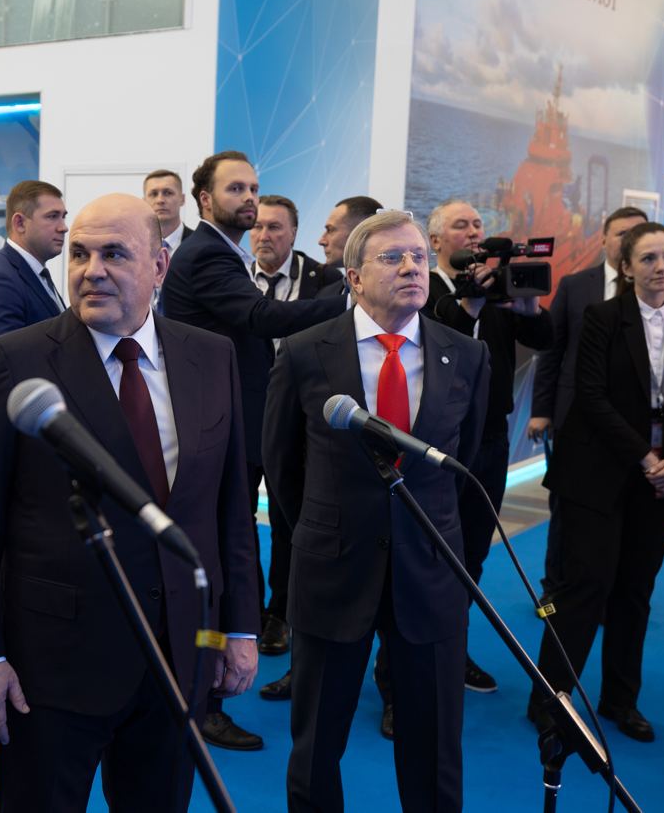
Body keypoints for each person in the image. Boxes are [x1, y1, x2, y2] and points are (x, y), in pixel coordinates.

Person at [0, 193, 259, 812]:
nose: (92, 270)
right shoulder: (14, 361)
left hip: (180, 654)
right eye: (80, 254)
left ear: (159, 265)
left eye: (115, 254)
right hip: (53, 665)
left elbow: (229, 509)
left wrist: (240, 625)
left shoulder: (210, 355)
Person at [263, 210, 488, 812]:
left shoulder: (466, 355)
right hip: (333, 571)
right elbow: (282, 466)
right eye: (393, 258)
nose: (412, 267)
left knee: (434, 752)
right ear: (355, 278)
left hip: (432, 574)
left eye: (418, 256)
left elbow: (465, 463)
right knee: (316, 749)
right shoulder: (306, 353)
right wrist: (329, 528)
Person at [161, 151, 345, 750]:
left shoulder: (220, 251)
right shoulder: (208, 253)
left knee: (227, 555)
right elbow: (261, 317)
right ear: (204, 199)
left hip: (229, 427)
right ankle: (204, 700)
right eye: (236, 188)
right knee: (216, 563)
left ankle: (203, 688)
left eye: (254, 189)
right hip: (215, 431)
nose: (249, 199)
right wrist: (349, 302)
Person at [528, 222, 664, 744]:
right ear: (626, 267)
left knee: (634, 593)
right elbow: (592, 397)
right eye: (648, 258)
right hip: (596, 474)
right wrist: (647, 458)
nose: (661, 267)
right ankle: (551, 699)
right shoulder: (603, 318)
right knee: (582, 589)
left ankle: (621, 701)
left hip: (662, 483)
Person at [422, 199, 552, 693]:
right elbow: (439, 348)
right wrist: (468, 306)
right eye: (462, 225)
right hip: (438, 440)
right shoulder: (423, 288)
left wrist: (529, 308)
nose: (475, 231)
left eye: (478, 224)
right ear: (436, 240)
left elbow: (545, 338)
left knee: (473, 551)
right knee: (427, 552)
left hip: (491, 439)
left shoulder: (499, 287)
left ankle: (451, 647)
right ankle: (401, 662)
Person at [527, 206, 648, 603]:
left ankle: (607, 591)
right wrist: (541, 410)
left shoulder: (653, 293)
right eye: (622, 233)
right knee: (567, 508)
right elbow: (552, 350)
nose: (629, 240)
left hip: (633, 425)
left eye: (638, 233)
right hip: (575, 419)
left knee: (624, 510)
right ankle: (554, 591)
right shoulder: (576, 285)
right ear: (604, 239)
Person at [250, 194, 342, 654]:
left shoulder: (325, 280)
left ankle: (281, 612)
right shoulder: (233, 278)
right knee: (237, 517)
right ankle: (245, 608)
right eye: (257, 226)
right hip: (243, 419)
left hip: (299, 425)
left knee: (290, 520)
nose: (263, 235)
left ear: (294, 233)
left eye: (275, 227)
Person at [0, 179, 68, 364]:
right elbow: (6, 365)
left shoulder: (35, 273)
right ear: (20, 223)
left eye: (63, 216)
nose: (63, 227)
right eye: (52, 216)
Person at [316, 195, 383, 287]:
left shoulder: (397, 291)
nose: (321, 241)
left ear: (361, 232)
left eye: (330, 230)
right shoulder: (325, 294)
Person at [143, 168, 194, 252]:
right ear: (144, 201)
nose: (160, 200)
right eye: (154, 194)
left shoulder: (201, 243)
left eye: (168, 193)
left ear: (182, 199)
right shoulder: (133, 245)